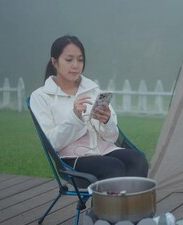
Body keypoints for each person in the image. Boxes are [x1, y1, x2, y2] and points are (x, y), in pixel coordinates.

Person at [30, 35, 148, 181]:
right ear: (55, 62)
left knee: (138, 159)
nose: (75, 65)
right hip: (73, 158)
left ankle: (131, 204)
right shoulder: (41, 96)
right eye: (69, 59)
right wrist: (75, 117)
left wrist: (107, 121)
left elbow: (112, 137)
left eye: (80, 60)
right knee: (113, 167)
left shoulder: (93, 90)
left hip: (104, 150)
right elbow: (52, 143)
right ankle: (111, 204)